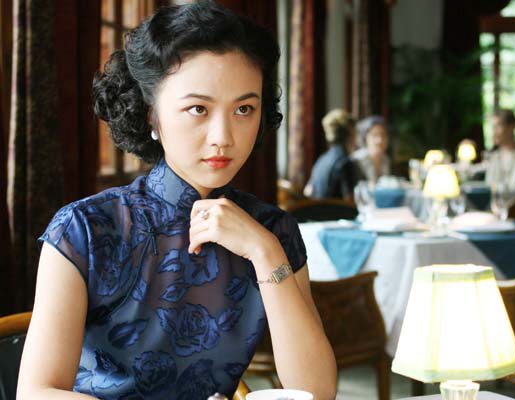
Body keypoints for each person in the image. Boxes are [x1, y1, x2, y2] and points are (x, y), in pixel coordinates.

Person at [16, 2, 336, 399]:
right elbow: (37, 392)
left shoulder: (272, 230)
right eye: (198, 108)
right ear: (151, 114)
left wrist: (265, 251)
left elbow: (316, 391)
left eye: (244, 109)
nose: (223, 137)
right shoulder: (84, 229)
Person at [303, 109, 357, 200]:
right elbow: (350, 200)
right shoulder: (345, 162)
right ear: (350, 135)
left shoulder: (322, 159)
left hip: (317, 208)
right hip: (337, 209)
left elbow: (308, 191)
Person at [351, 115, 390, 183]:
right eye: (374, 135)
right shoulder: (357, 159)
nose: (379, 140)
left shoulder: (385, 159)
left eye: (383, 135)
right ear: (365, 138)